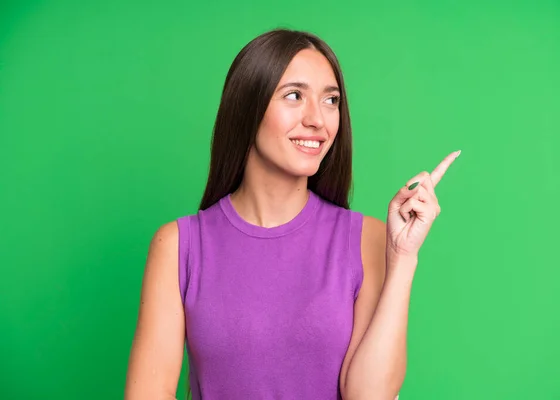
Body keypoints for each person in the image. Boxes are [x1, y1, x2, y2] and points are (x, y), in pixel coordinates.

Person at [124, 28, 460, 400]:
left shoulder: (368, 238)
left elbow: (368, 395)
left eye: (331, 100)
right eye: (295, 96)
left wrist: (403, 259)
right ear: (247, 107)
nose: (317, 119)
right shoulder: (179, 246)